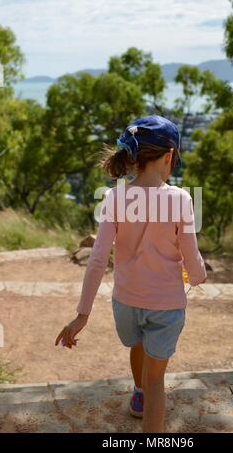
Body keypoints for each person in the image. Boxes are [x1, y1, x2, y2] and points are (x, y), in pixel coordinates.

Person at [55, 115, 207, 433]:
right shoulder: (181, 199)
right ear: (168, 156)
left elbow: (97, 260)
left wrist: (81, 315)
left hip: (125, 304)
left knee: (137, 343)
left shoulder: (114, 197)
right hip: (166, 306)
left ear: (133, 157)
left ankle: (137, 394)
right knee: (157, 381)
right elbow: (192, 258)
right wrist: (197, 276)